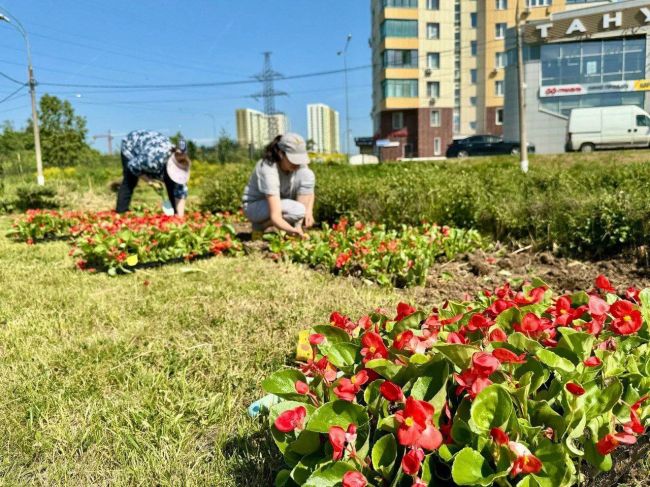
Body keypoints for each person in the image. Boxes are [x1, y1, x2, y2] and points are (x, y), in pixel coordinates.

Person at [242, 133, 315, 237]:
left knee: (307, 174)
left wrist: (308, 211)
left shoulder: (300, 167)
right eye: (293, 159)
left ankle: (292, 228)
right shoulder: (268, 168)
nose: (297, 164)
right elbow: (275, 216)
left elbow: (308, 189)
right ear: (281, 154)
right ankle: (260, 226)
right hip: (255, 207)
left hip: (281, 203)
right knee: (298, 210)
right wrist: (292, 230)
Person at [116, 130, 191, 216]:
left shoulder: (182, 164)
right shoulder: (153, 159)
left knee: (173, 183)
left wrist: (180, 217)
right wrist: (150, 182)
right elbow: (132, 166)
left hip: (153, 145)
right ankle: (121, 212)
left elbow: (181, 191)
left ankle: (175, 212)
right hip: (131, 144)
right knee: (130, 180)